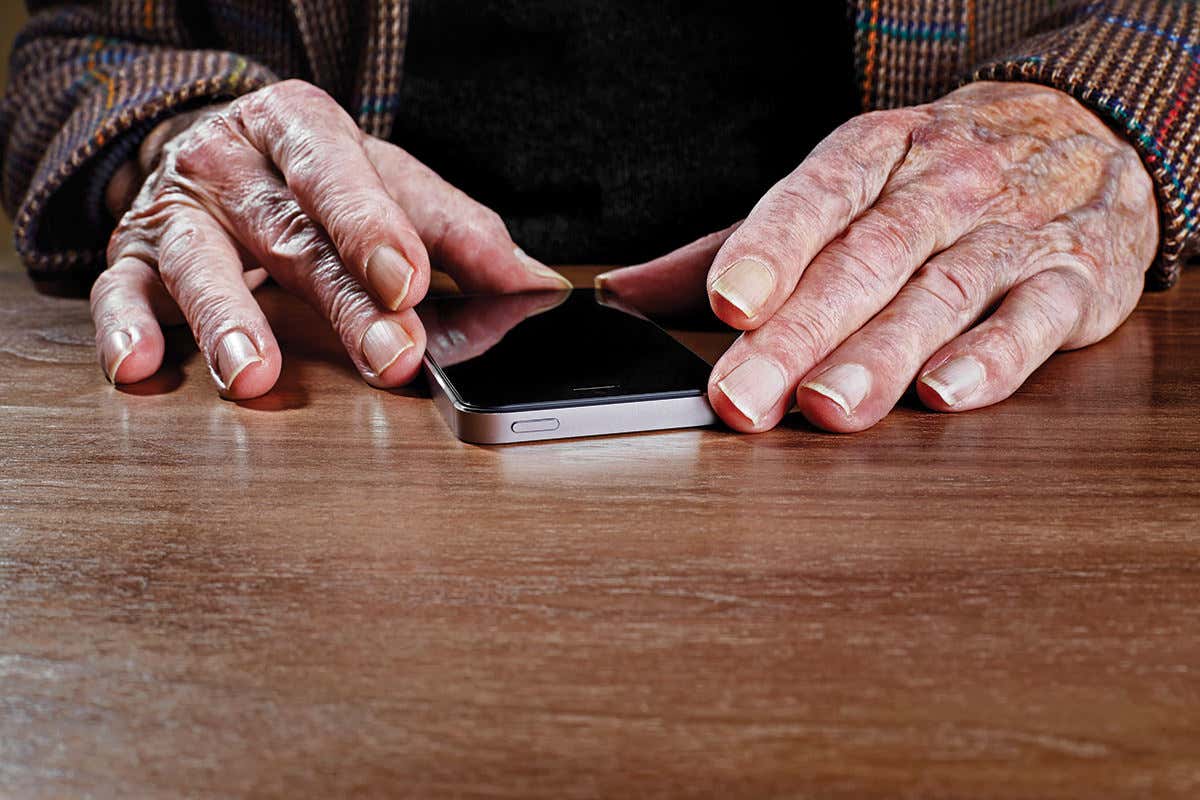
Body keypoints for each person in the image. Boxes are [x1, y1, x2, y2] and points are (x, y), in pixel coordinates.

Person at [1, 1, 1195, 434]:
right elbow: (71, 54)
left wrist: (1101, 116)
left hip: (925, 394)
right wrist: (191, 135)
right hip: (354, 376)